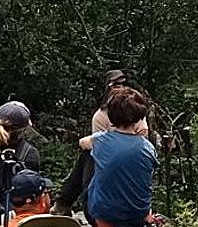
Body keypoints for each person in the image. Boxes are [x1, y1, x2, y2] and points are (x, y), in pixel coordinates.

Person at [54, 70, 149, 216]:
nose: (120, 87)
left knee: (88, 153)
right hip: (109, 161)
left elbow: (85, 143)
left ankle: (63, 202)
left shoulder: (103, 139)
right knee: (91, 155)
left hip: (122, 156)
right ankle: (64, 203)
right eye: (116, 84)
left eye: (122, 84)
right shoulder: (100, 118)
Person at [82, 86, 158, 227]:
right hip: (138, 221)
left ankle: (63, 203)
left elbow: (82, 142)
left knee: (88, 154)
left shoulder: (101, 141)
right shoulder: (148, 148)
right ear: (139, 116)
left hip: (104, 222)